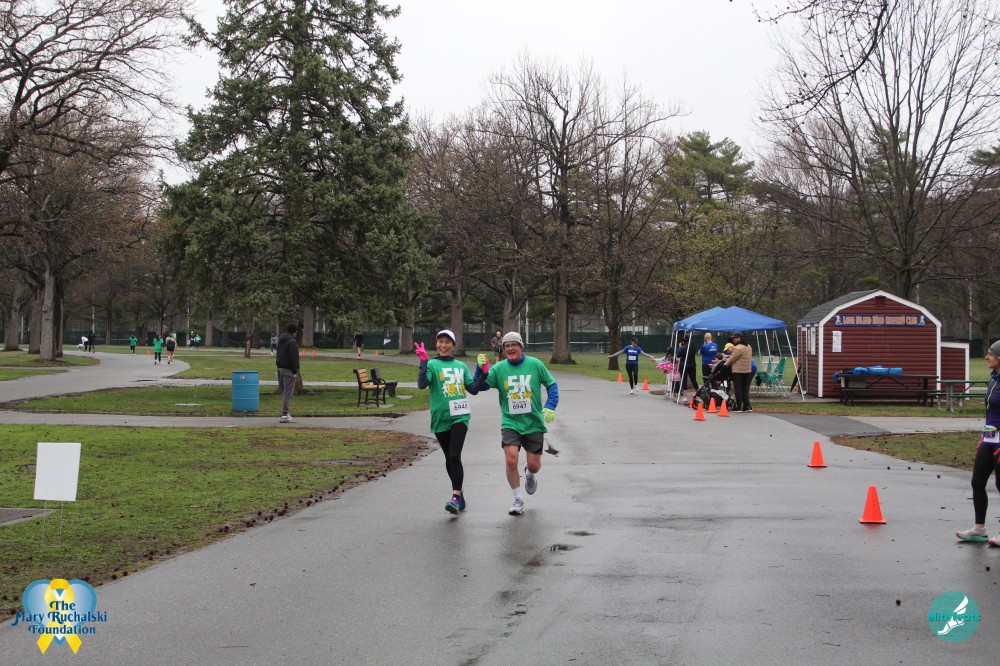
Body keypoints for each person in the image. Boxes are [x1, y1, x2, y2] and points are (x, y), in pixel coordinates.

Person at [478, 331, 559, 516]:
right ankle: (518, 499)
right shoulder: (499, 369)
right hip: (510, 421)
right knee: (510, 458)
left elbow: (552, 384)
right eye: (506, 346)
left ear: (521, 346)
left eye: (513, 345)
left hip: (533, 422)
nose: (510, 348)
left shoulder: (535, 364)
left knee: (534, 465)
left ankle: (530, 474)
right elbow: (480, 386)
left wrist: (551, 405)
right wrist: (481, 370)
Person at [414, 329, 489, 515]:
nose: (443, 345)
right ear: (436, 344)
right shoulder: (432, 364)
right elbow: (422, 384)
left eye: (447, 342)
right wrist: (423, 362)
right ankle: (460, 495)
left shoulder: (461, 366)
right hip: (440, 418)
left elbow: (473, 389)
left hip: (460, 416)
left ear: (453, 346)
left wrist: (483, 373)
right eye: (440, 341)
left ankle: (455, 497)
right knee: (449, 458)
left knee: (455, 455)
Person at [956, 340, 1000, 545]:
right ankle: (979, 529)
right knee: (977, 482)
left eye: (990, 353)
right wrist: (984, 434)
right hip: (988, 439)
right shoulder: (993, 378)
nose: (986, 357)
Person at [724, 332, 753, 412]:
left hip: (738, 370)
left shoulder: (738, 348)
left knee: (737, 389)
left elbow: (732, 359)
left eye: (734, 338)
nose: (733, 339)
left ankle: (738, 406)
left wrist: (725, 364)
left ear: (739, 338)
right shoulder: (748, 346)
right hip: (747, 370)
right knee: (744, 389)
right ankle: (747, 406)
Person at [276, 323, 300, 423]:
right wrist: (294, 371)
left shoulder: (281, 340)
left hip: (280, 369)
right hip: (288, 370)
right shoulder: (292, 342)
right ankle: (284, 415)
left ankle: (285, 413)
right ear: (295, 331)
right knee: (288, 394)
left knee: (284, 392)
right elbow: (293, 357)